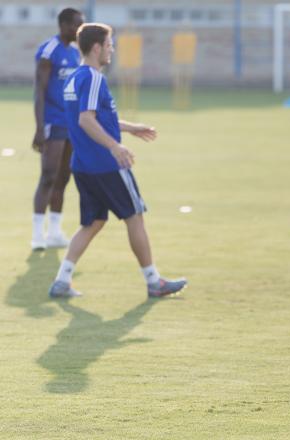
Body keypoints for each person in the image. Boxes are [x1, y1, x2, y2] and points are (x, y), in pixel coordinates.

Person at [47, 23, 187, 299]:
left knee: (93, 222)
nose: (112, 49)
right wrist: (115, 147)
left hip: (83, 165)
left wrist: (130, 128)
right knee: (134, 217)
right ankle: (153, 281)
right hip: (105, 165)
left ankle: (61, 280)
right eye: (110, 44)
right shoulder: (94, 77)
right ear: (97, 47)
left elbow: (98, 118)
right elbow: (85, 120)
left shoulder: (74, 78)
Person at [31, 8, 84, 250]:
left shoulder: (75, 54)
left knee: (64, 177)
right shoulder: (49, 50)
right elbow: (39, 91)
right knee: (48, 176)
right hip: (52, 121)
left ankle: (54, 232)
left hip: (71, 123)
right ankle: (37, 236)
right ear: (63, 25)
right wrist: (40, 128)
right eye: (76, 25)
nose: (79, 29)